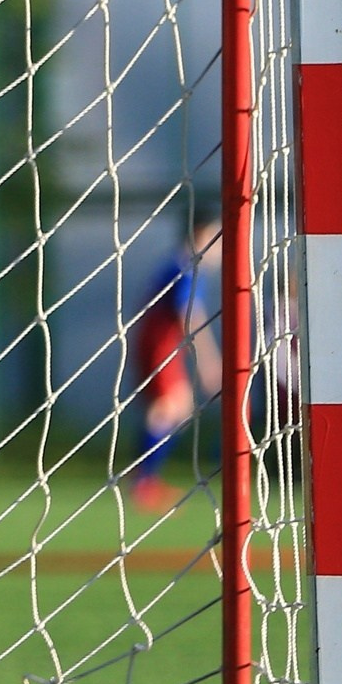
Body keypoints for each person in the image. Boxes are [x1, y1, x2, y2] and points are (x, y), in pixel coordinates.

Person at [129, 214, 221, 512]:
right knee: (169, 409)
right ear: (198, 233)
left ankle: (146, 481)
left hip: (159, 342)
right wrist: (208, 362)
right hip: (160, 344)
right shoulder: (185, 267)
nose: (219, 247)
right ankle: (143, 482)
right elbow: (188, 315)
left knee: (176, 410)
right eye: (214, 237)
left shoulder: (183, 266)